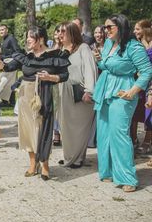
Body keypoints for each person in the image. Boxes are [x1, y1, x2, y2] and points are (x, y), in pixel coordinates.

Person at [0, 26, 70, 180]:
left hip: (45, 95)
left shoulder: (53, 55)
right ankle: (33, 163)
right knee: (28, 130)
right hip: (25, 96)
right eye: (27, 36)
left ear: (40, 39)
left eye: (31, 37)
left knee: (42, 129)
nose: (27, 39)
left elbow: (64, 75)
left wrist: (50, 77)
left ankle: (45, 164)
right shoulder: (25, 56)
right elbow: (6, 67)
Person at [92, 15, 152, 192]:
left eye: (109, 27)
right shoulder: (109, 44)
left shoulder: (134, 47)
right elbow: (105, 67)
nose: (105, 31)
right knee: (104, 133)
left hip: (123, 91)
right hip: (105, 89)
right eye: (104, 28)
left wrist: (132, 91)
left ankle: (128, 178)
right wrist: (99, 59)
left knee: (119, 133)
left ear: (121, 27)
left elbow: (147, 71)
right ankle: (108, 171)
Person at [57, 22, 97, 168]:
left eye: (63, 31)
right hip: (64, 91)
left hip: (79, 91)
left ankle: (78, 158)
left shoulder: (83, 48)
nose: (60, 34)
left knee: (79, 127)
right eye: (59, 31)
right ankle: (69, 156)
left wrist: (89, 91)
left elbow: (90, 70)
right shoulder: (62, 49)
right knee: (65, 126)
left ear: (72, 33)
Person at [131, 19, 152, 154]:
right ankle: (133, 140)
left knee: (148, 114)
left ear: (145, 29)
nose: (135, 31)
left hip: (150, 83)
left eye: (137, 29)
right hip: (137, 84)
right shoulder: (137, 45)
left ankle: (147, 141)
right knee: (135, 112)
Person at [0, 24, 22, 105]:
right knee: (8, 83)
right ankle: (9, 102)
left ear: (7, 30)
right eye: (0, 30)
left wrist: (4, 57)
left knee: (7, 83)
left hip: (11, 64)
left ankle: (8, 102)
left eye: (3, 29)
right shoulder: (4, 39)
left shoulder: (11, 38)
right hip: (6, 64)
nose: (1, 31)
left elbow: (17, 51)